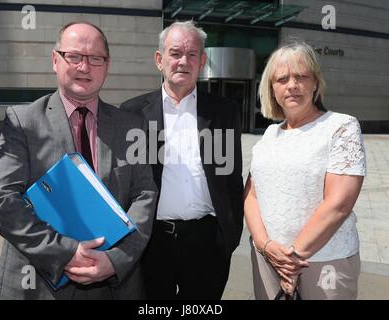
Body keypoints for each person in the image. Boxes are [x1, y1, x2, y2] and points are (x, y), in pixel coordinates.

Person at [0, 21, 158, 300]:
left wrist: (115, 258)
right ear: (56, 60)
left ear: (107, 65)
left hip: (113, 287)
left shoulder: (132, 126)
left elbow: (145, 194)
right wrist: (65, 251)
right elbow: (1, 200)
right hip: (37, 284)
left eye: (95, 58)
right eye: (74, 56)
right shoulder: (23, 121)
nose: (84, 67)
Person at [120, 20, 243, 300]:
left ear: (202, 61)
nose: (183, 62)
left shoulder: (224, 111)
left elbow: (231, 179)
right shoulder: (133, 112)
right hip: (152, 243)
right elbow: (126, 183)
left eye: (192, 55)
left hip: (207, 243)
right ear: (159, 59)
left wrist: (229, 235)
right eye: (175, 53)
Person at [244, 41, 366, 300]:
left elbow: (339, 204)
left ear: (315, 83)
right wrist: (266, 246)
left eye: (301, 76)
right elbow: (252, 196)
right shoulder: (269, 134)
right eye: (282, 79)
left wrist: (290, 260)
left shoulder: (341, 127)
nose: (292, 85)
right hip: (267, 260)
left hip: (323, 262)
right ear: (272, 89)